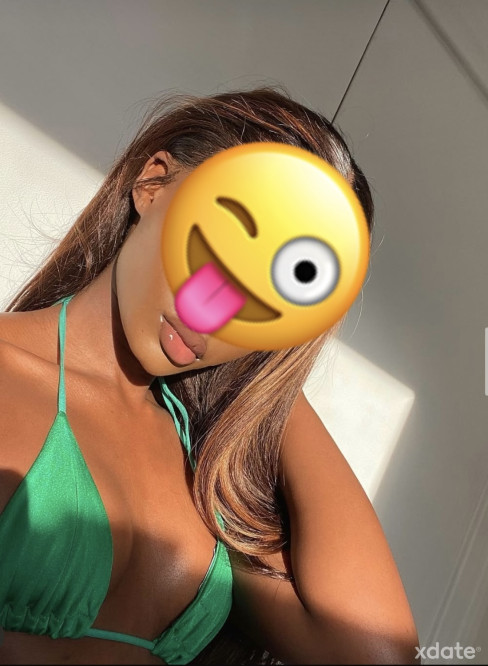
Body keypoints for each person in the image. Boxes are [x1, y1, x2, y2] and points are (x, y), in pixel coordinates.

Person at [0, 87, 419, 665]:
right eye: (228, 240)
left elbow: (376, 653)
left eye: (280, 290)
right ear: (152, 183)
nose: (216, 311)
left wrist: (272, 371)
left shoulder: (207, 478)